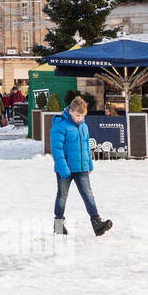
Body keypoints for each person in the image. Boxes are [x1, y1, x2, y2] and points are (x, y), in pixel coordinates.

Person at [49, 96, 113, 236]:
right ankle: (58, 225)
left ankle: (97, 223)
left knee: (88, 195)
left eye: (82, 116)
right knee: (62, 196)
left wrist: (89, 165)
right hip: (65, 168)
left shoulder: (84, 125)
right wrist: (63, 169)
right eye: (77, 116)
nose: (79, 118)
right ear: (70, 111)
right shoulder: (60, 125)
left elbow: (85, 146)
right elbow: (56, 149)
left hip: (81, 168)